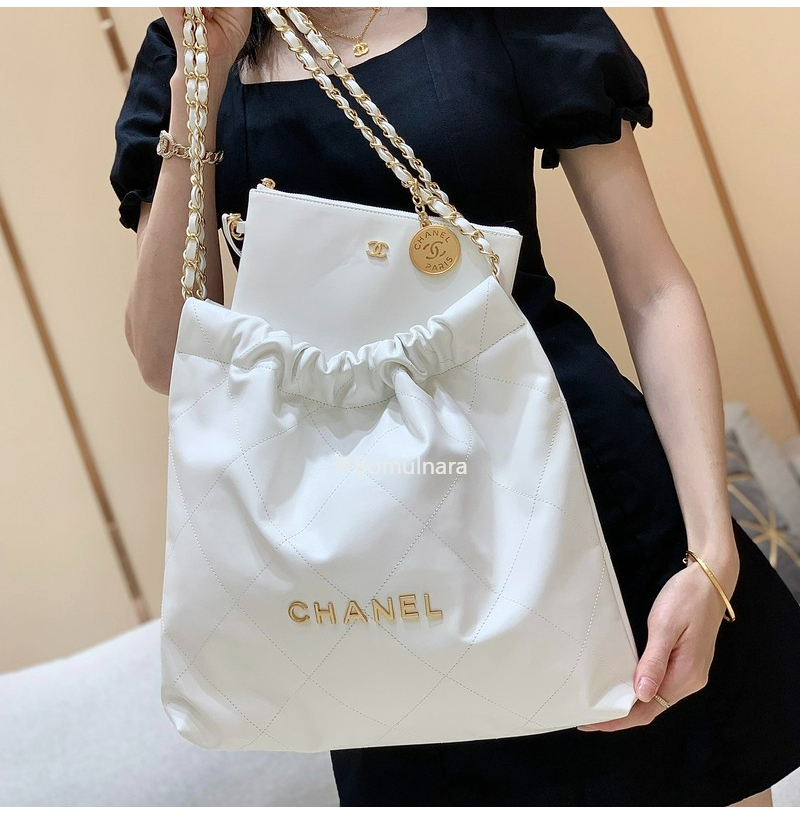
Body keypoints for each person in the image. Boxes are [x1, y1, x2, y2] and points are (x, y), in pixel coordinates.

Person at [110, 7, 800, 806]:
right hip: (368, 575)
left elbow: (653, 287)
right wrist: (199, 82)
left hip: (583, 500)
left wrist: (711, 552)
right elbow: (167, 355)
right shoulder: (192, 46)